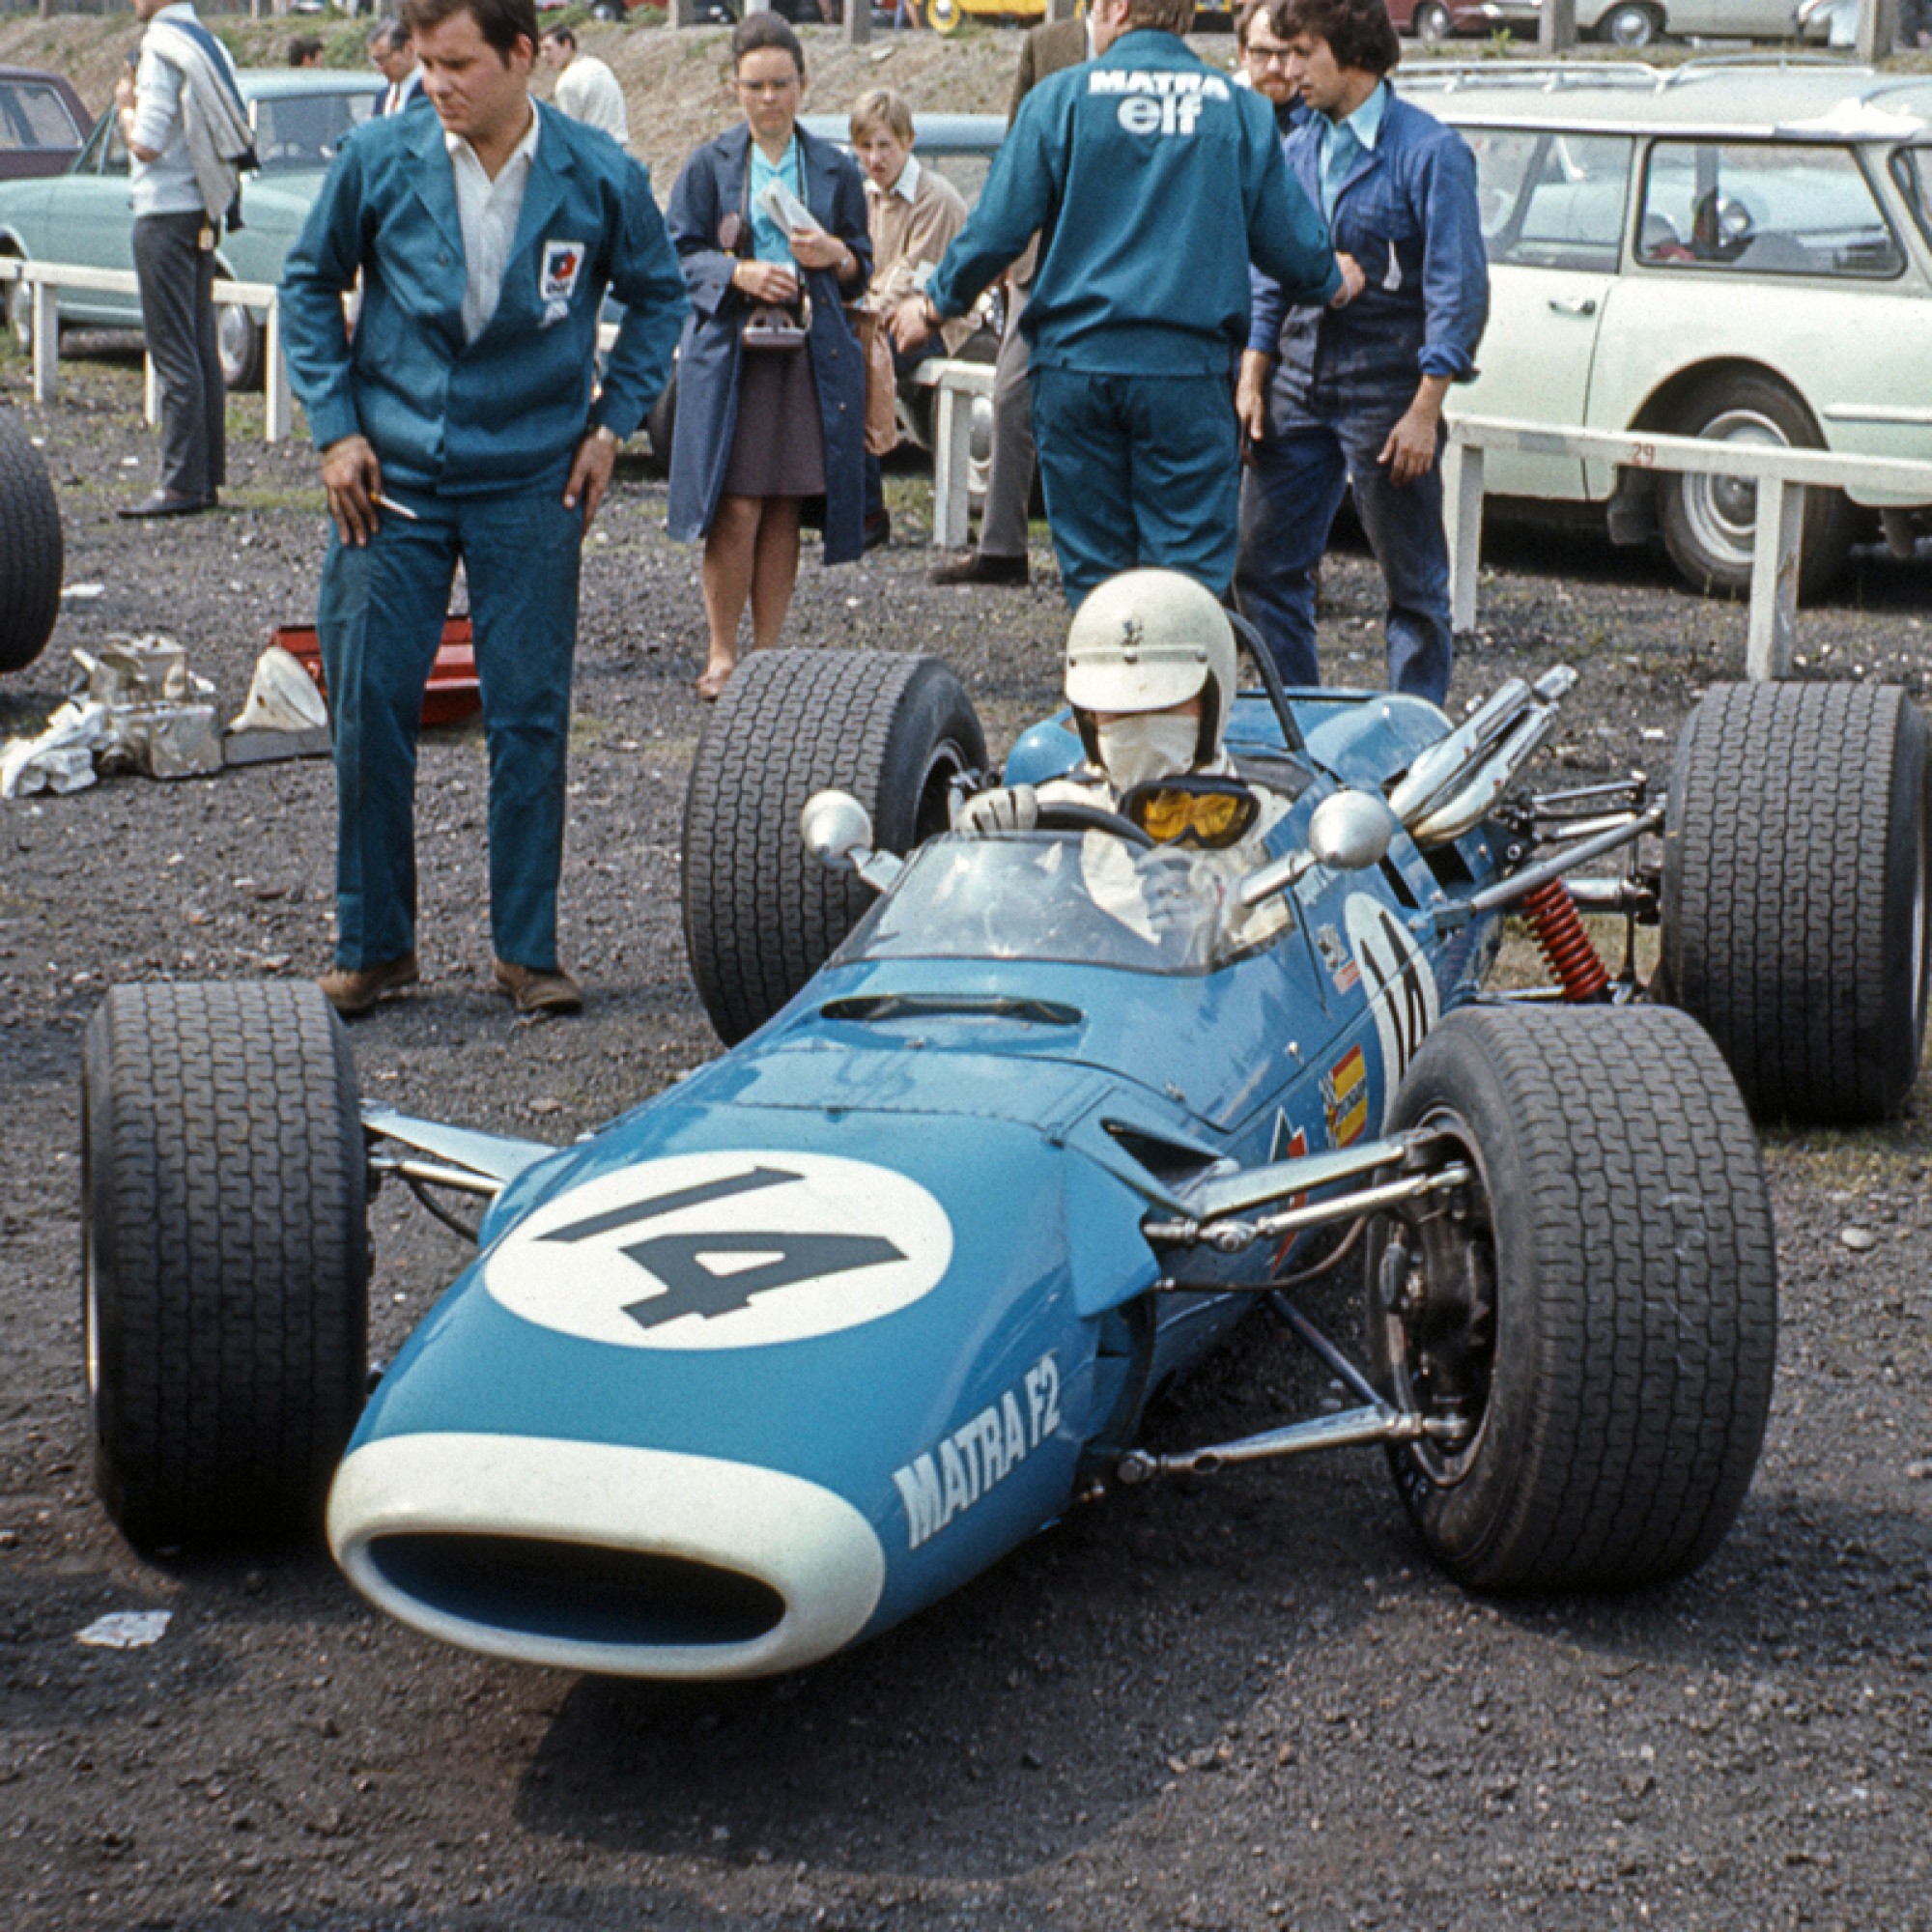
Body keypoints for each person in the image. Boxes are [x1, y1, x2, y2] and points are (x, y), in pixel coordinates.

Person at [280, 0, 688, 1017]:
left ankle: (526, 948)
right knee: (370, 707)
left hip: (532, 484)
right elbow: (305, 285)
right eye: (425, 62)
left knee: (528, 713)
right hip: (393, 488)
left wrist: (610, 427)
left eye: (458, 63)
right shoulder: (377, 157)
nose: (436, 82)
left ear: (522, 57)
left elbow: (660, 297)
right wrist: (334, 429)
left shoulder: (598, 173)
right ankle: (374, 943)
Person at [894, 0, 1340, 613]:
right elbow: (1297, 254)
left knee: (1098, 583)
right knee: (1185, 585)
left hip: (1076, 372)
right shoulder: (1237, 111)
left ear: (1119, 7)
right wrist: (1333, 276)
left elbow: (997, 228)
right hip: (1185, 375)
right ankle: (1180, 698)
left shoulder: (1059, 100)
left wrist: (935, 305)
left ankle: (1107, 702)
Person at [1233, 0, 1487, 706]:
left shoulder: (1430, 153)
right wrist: (1254, 371)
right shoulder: (1295, 146)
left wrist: (1425, 410)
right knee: (1262, 566)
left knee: (1411, 582)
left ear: (1352, 55)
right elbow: (1270, 269)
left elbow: (1456, 288)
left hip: (1387, 390)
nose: (1285, 70)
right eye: (1277, 54)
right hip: (1295, 380)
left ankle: (1413, 733)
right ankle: (1303, 726)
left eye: (1302, 53)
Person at [666, 14, 870, 702]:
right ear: (735, 87)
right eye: (754, 85)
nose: (769, 98)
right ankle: (723, 652)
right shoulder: (709, 164)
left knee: (784, 502)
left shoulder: (835, 168)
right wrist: (740, 275)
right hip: (732, 354)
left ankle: (770, 657)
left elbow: (862, 267)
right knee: (737, 504)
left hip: (806, 353)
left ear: (803, 84)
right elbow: (678, 254)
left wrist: (835, 256)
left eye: (781, 84)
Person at [954, 569, 1292, 961]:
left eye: (1164, 704)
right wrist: (985, 855)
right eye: (1116, 709)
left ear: (1214, 699)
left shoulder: (1269, 823)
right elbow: (958, 933)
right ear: (1087, 716)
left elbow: (1288, 981)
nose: (1139, 721)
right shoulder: (1050, 813)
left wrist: (1216, 942)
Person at [925, 3, 1088, 591]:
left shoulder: (1163, 51)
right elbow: (1018, 147)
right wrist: (1001, 245)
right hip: (1041, 248)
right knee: (1011, 389)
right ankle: (1002, 546)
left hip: (1111, 254)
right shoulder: (1049, 45)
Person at [114, 0, 250, 521]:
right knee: (200, 346)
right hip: (201, 210)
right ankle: (206, 476)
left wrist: (126, 105)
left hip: (163, 210)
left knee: (171, 349)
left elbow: (147, 141)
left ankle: (177, 483)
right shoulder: (210, 46)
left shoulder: (158, 48)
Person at [850, 85, 968, 552]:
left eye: (885, 146)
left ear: (907, 142)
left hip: (941, 323)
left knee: (863, 368)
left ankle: (869, 511)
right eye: (865, 147)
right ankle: (844, 502)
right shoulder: (866, 197)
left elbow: (912, 279)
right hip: (879, 318)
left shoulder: (933, 199)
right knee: (837, 363)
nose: (875, 158)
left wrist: (860, 309)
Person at [538, 23, 629, 150]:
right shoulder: (597, 65)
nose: (544, 55)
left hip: (595, 152)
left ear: (566, 44)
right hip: (619, 145)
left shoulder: (567, 82)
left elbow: (571, 133)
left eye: (548, 49)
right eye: (541, 50)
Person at [1235, 0, 1306, 136]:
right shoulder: (1225, 118)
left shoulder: (1324, 124)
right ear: (1242, 54)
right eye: (1261, 52)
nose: (1273, 67)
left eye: (1284, 53)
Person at [369, 18, 425, 115]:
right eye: (376, 61)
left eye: (384, 59)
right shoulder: (382, 97)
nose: (380, 69)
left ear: (409, 48)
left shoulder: (430, 94)